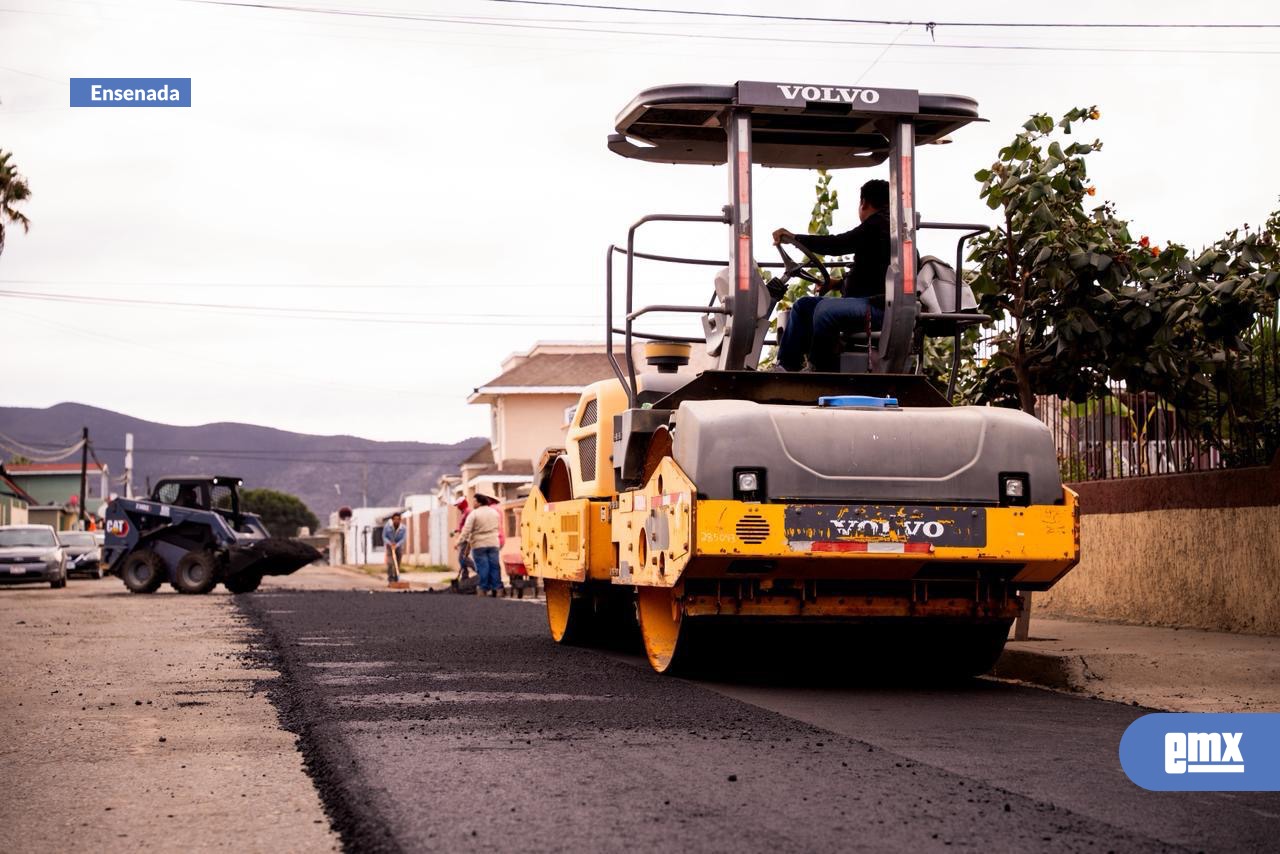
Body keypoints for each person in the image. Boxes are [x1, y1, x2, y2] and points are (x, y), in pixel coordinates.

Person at [771, 178, 891, 372]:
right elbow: (873, 273)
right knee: (803, 306)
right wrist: (837, 284)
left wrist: (795, 238)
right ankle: (786, 367)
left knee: (826, 311)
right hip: (871, 301)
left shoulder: (879, 224)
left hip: (878, 307)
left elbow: (837, 244)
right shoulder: (884, 228)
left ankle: (818, 369)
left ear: (864, 203)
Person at [459, 489, 502, 597]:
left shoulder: (474, 514)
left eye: (474, 501)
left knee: (483, 567)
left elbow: (467, 530)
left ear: (479, 502)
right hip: (493, 543)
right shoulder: (494, 513)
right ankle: (498, 589)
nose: (472, 503)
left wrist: (459, 541)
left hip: (479, 545)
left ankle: (483, 588)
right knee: (495, 566)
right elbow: (498, 527)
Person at [452, 495, 475, 579]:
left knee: (462, 558)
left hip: (467, 539)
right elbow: (463, 526)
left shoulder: (468, 512)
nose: (457, 507)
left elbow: (468, 527)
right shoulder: (464, 513)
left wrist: (459, 539)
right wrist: (457, 530)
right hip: (464, 537)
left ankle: (477, 570)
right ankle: (465, 576)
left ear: (462, 504)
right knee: (462, 558)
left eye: (458, 505)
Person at [382, 512, 407, 583]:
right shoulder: (387, 527)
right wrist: (390, 544)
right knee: (390, 563)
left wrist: (397, 545)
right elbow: (384, 537)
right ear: (392, 520)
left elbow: (403, 539)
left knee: (397, 564)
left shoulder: (403, 528)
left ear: (400, 520)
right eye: (395, 519)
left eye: (398, 519)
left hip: (398, 547)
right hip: (389, 547)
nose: (396, 520)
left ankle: (396, 578)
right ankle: (390, 578)